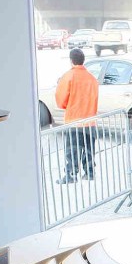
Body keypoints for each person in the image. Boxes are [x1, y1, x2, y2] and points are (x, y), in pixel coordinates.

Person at [54, 48, 98, 183]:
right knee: (89, 149)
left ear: (71, 61)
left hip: (74, 120)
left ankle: (71, 175)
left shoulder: (68, 76)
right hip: (90, 121)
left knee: (72, 150)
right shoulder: (92, 78)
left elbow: (61, 101)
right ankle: (89, 173)